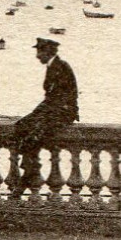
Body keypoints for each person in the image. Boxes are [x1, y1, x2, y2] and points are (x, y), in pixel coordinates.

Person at [14, 37, 78, 192]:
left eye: (39, 52)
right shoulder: (53, 66)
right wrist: (36, 113)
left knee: (34, 134)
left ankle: (29, 172)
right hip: (53, 109)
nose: (37, 56)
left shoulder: (60, 67)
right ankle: (30, 168)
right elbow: (50, 98)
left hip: (63, 112)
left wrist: (40, 114)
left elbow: (61, 98)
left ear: (48, 52)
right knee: (21, 125)